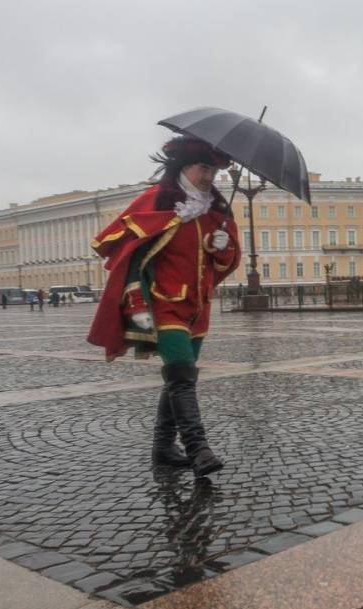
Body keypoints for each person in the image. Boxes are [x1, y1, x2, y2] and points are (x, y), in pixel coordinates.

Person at [88, 136, 241, 477]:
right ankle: (198, 448)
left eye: (214, 171)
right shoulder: (156, 202)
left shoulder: (216, 212)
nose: (209, 177)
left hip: (198, 309)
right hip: (164, 304)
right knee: (182, 377)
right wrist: (137, 302)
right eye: (204, 168)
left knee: (179, 377)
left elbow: (224, 264)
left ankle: (162, 448)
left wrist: (222, 246)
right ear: (183, 165)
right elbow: (131, 258)